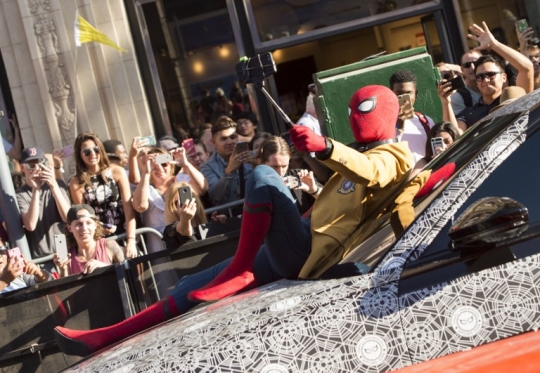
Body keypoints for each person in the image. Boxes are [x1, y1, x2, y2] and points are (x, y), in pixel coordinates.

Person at [54, 85, 413, 357]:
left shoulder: (394, 156)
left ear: (386, 113)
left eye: (363, 110)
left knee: (263, 177)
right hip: (292, 243)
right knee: (189, 286)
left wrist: (327, 147)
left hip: (304, 252)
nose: (355, 117)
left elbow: (371, 170)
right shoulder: (363, 155)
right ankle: (104, 336)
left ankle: (241, 266)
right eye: (352, 110)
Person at [439, 22, 534, 133]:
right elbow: (454, 137)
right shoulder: (469, 114)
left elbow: (527, 68)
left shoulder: (515, 98)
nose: (485, 80)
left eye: (491, 75)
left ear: (504, 77)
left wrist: (494, 44)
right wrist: (446, 103)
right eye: (480, 77)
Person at [68, 132, 138, 259]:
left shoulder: (117, 171)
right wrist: (100, 228)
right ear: (80, 155)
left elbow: (128, 208)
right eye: (86, 152)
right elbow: (83, 215)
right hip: (99, 239)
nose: (93, 154)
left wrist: (131, 240)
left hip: (125, 233)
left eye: (96, 149)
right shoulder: (76, 182)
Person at [16, 147, 71, 271]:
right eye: (31, 165)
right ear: (22, 168)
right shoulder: (20, 194)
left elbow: (68, 218)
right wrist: (36, 189)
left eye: (40, 163)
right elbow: (30, 225)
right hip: (40, 258)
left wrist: (53, 185)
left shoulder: (58, 184)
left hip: (63, 251)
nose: (36, 169)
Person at [53, 205, 125, 277]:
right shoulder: (68, 257)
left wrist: (104, 268)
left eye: (88, 223)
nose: (84, 228)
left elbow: (126, 272)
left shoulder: (109, 245)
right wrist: (63, 269)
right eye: (79, 224)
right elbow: (66, 287)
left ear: (95, 225)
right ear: (69, 228)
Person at [200, 117, 253, 207]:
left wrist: (257, 164)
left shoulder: (252, 156)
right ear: (213, 142)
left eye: (233, 137)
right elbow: (215, 195)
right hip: (229, 217)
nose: (229, 142)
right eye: (223, 139)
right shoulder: (207, 166)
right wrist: (229, 171)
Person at [390, 69, 435, 164]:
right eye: (399, 94)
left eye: (408, 93)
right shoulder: (384, 124)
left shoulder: (426, 121)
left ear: (416, 94)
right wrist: (398, 127)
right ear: (391, 94)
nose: (404, 98)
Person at [161, 182, 209, 250]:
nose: (185, 205)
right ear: (170, 207)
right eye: (177, 202)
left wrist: (219, 223)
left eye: (188, 200)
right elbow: (183, 232)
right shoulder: (171, 230)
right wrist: (185, 220)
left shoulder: (206, 221)